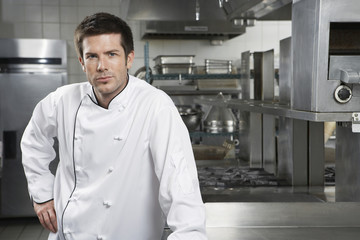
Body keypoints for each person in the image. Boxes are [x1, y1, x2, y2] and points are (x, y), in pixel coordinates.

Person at [21, 12, 207, 240]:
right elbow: (33, 141)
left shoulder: (155, 106)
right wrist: (41, 195)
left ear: (128, 59)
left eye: (111, 54)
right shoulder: (63, 100)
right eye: (92, 56)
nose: (101, 66)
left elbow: (180, 181)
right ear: (82, 62)